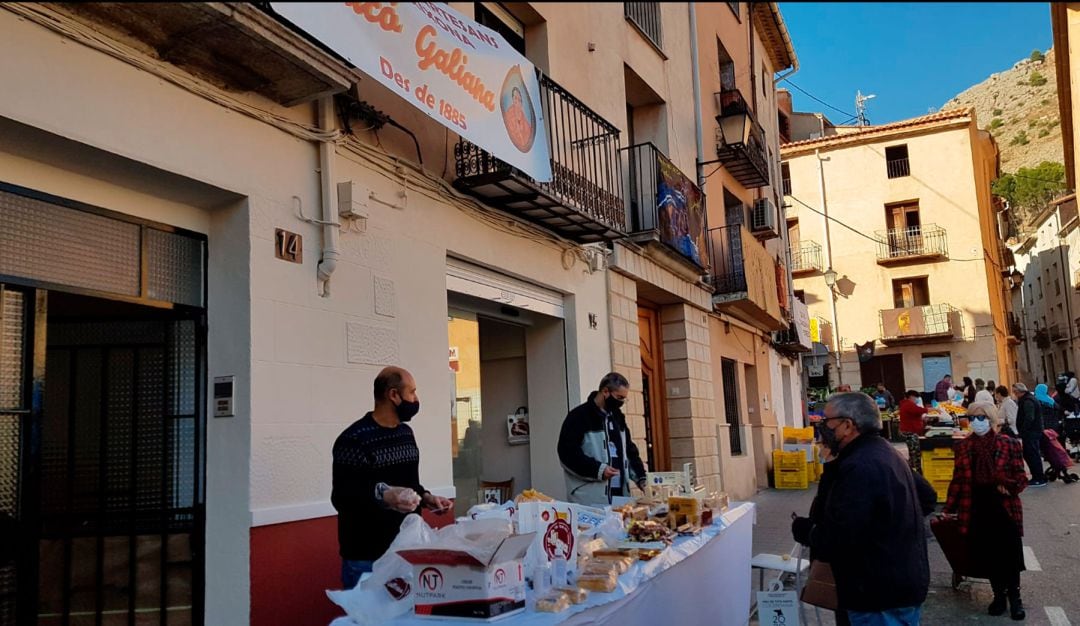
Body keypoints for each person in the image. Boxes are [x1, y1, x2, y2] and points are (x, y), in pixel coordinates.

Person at [791, 393, 929, 625]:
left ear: (847, 425)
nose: (822, 429)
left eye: (827, 422)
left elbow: (840, 535)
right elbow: (926, 496)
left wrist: (807, 531)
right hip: (893, 583)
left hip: (877, 593)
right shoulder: (883, 452)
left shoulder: (860, 466)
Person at [331, 367, 453, 589]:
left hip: (407, 552)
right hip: (367, 558)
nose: (416, 400)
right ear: (394, 395)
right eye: (412, 392)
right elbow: (342, 497)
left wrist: (426, 498)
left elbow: (411, 484)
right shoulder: (354, 439)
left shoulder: (405, 434)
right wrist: (384, 495)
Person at [942, 401, 1028, 620]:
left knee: (1010, 555)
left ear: (991, 420)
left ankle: (1015, 598)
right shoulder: (963, 447)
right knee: (990, 555)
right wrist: (949, 509)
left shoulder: (1008, 443)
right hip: (976, 507)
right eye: (972, 418)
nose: (976, 423)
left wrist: (1006, 483)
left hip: (1003, 507)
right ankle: (998, 595)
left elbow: (1021, 477)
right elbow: (958, 480)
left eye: (981, 418)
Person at [557, 372, 647, 505]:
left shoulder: (618, 418)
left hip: (620, 496)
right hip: (589, 498)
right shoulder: (578, 417)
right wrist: (599, 470)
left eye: (624, 399)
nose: (621, 402)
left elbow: (629, 451)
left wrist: (641, 478)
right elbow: (567, 454)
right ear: (605, 391)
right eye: (619, 397)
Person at [1012, 383, 1047, 487]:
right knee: (1029, 454)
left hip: (1031, 433)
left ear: (1019, 391)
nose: (1014, 394)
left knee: (1032, 454)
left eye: (1015, 392)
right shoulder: (1028, 399)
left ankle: (1039, 478)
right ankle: (1037, 476)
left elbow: (1029, 417)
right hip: (1031, 432)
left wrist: (1023, 430)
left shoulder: (1028, 401)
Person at [898, 390, 930, 473]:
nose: (916, 399)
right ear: (911, 396)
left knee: (913, 452)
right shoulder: (908, 404)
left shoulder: (906, 404)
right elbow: (919, 410)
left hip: (909, 430)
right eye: (916, 397)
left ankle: (914, 469)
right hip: (909, 431)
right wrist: (931, 409)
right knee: (914, 453)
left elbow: (915, 414)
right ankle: (915, 470)